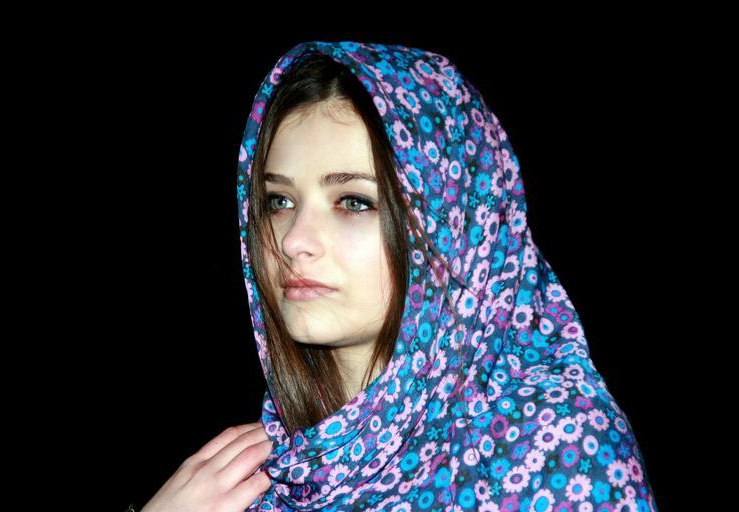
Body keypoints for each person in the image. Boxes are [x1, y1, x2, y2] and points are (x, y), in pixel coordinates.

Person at [143, 41, 658, 511]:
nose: (294, 240)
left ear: (454, 224)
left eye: (353, 202)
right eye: (279, 201)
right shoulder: (259, 471)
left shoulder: (553, 453)